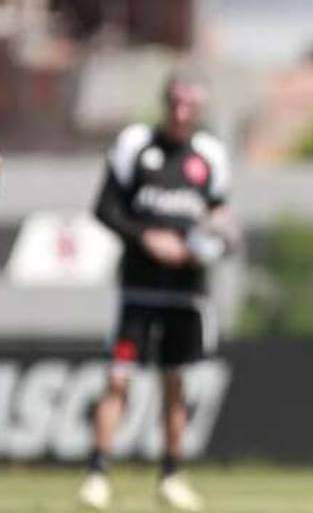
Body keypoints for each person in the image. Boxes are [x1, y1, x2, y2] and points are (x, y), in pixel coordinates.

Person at [78, 71, 234, 512]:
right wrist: (146, 238)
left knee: (175, 384)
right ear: (165, 104)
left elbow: (221, 218)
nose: (183, 113)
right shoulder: (135, 146)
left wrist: (213, 243)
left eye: (191, 106)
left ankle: (171, 476)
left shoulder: (209, 156)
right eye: (176, 104)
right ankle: (97, 475)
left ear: (199, 110)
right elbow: (104, 208)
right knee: (117, 380)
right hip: (139, 290)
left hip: (186, 294)